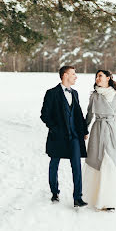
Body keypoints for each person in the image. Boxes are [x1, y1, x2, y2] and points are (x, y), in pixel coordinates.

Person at [40, 66, 89, 208]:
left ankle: (77, 198)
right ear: (65, 75)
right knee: (54, 164)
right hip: (57, 136)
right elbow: (45, 115)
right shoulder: (51, 93)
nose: (76, 76)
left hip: (74, 136)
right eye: (73, 74)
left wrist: (84, 130)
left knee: (77, 166)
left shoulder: (75, 93)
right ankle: (54, 192)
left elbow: (78, 114)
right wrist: (55, 129)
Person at [82, 70, 116, 211]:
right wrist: (84, 129)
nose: (97, 78)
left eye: (100, 76)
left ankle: (109, 201)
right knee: (97, 161)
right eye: (96, 76)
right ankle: (95, 197)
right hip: (98, 130)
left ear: (108, 78)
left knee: (110, 162)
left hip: (113, 131)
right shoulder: (94, 95)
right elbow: (89, 114)